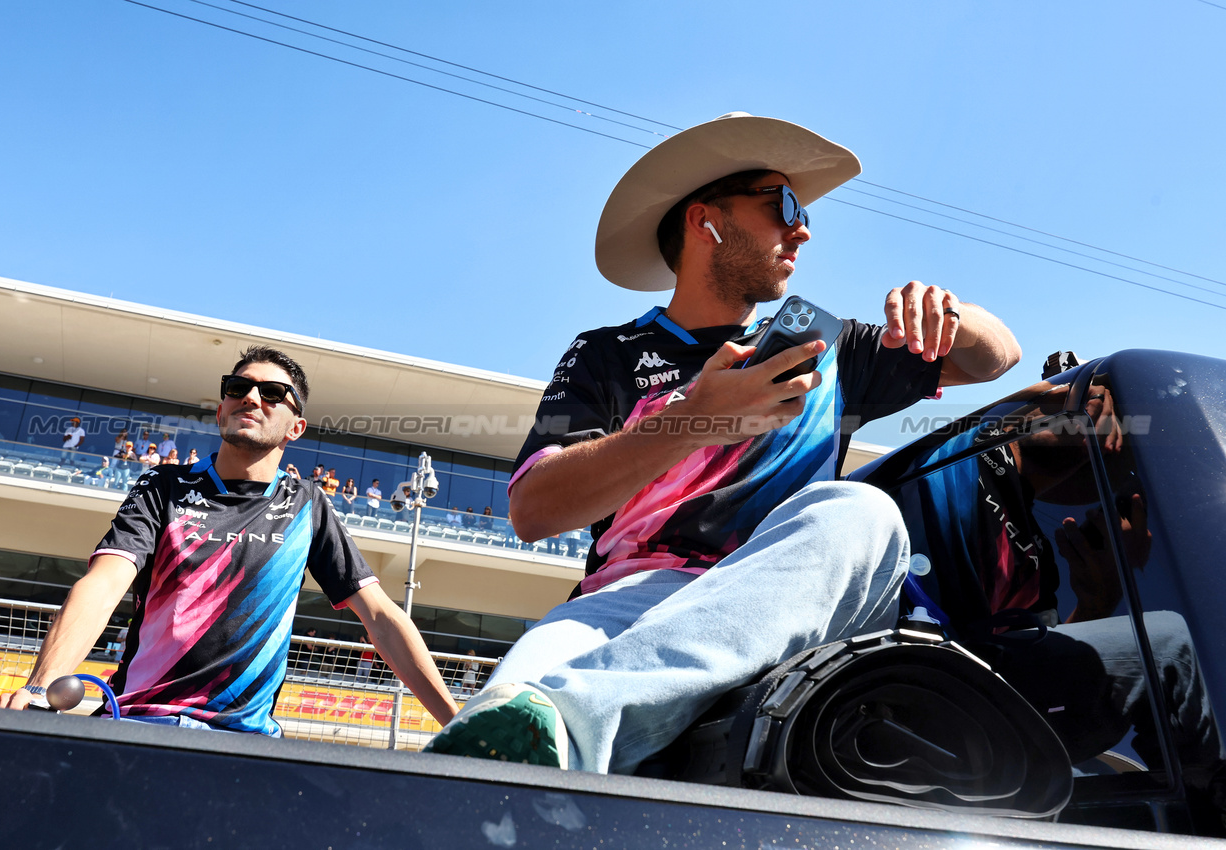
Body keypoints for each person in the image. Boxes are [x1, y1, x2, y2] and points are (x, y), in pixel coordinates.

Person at [425, 112, 1020, 774]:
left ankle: (576, 718)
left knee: (862, 515)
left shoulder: (829, 349)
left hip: (790, 602)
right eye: (783, 204)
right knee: (497, 726)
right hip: (628, 604)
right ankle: (561, 724)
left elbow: (996, 357)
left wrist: (952, 314)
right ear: (704, 219)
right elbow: (535, 511)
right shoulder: (606, 355)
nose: (803, 229)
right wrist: (693, 419)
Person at [0, 345, 458, 734]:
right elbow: (103, 586)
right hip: (139, 723)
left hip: (246, 742)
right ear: (221, 410)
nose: (251, 397)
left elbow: (379, 616)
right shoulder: (163, 486)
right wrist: (41, 685)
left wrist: (459, 726)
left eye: (274, 393)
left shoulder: (308, 504)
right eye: (238, 389)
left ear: (296, 427)